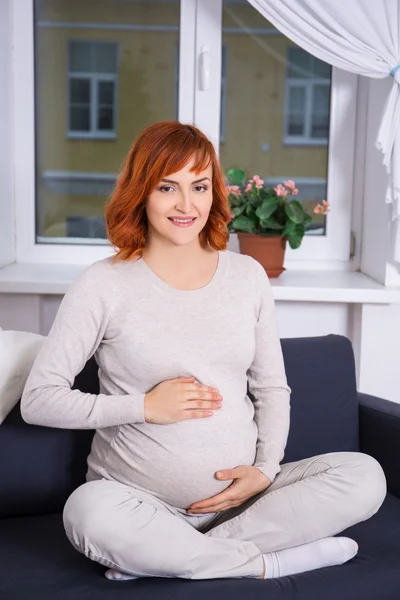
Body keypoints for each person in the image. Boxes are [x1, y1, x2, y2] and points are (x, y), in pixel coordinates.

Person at [21, 121, 386, 582]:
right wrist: (145, 408)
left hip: (245, 504)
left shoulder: (247, 276)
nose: (186, 204)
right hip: (135, 501)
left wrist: (266, 470)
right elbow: (38, 400)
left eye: (199, 186)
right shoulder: (103, 283)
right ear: (141, 193)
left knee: (364, 476)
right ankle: (264, 563)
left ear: (214, 192)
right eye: (167, 187)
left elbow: (272, 388)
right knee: (86, 514)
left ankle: (169, 557)